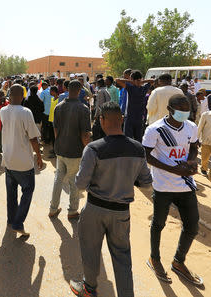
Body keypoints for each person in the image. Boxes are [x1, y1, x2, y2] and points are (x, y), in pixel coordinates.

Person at [69, 102, 152, 297]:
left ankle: (89, 288)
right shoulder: (138, 149)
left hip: (95, 209)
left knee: (90, 251)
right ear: (121, 120)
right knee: (122, 257)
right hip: (121, 212)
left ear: (102, 120)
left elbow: (80, 184)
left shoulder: (93, 148)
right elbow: (146, 182)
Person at [143, 94, 202, 286]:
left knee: (192, 226)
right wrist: (172, 169)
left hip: (185, 184)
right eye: (181, 110)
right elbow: (147, 156)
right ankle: (155, 258)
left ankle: (178, 261)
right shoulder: (155, 130)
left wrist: (191, 161)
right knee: (158, 224)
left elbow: (193, 146)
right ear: (170, 110)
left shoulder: (191, 127)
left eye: (187, 110)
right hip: (163, 186)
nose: (185, 113)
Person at [0, 84, 43, 236]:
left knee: (11, 193)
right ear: (23, 96)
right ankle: (18, 222)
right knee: (28, 190)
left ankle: (12, 220)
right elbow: (33, 137)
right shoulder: (25, 112)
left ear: (9, 94)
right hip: (23, 161)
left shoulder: (3, 110)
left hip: (9, 159)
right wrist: (39, 156)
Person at [49, 80, 91, 220]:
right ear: (79, 91)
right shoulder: (83, 109)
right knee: (74, 181)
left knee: (58, 179)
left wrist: (59, 143)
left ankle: (53, 208)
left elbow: (55, 129)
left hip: (60, 149)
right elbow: (85, 135)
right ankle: (72, 211)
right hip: (75, 151)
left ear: (67, 89)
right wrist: (87, 150)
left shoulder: (59, 106)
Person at [116, 70, 153, 142]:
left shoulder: (131, 87)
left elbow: (117, 80)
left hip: (130, 117)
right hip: (139, 117)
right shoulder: (144, 88)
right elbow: (152, 81)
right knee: (139, 139)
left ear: (132, 79)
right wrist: (141, 82)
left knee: (128, 139)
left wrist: (132, 82)